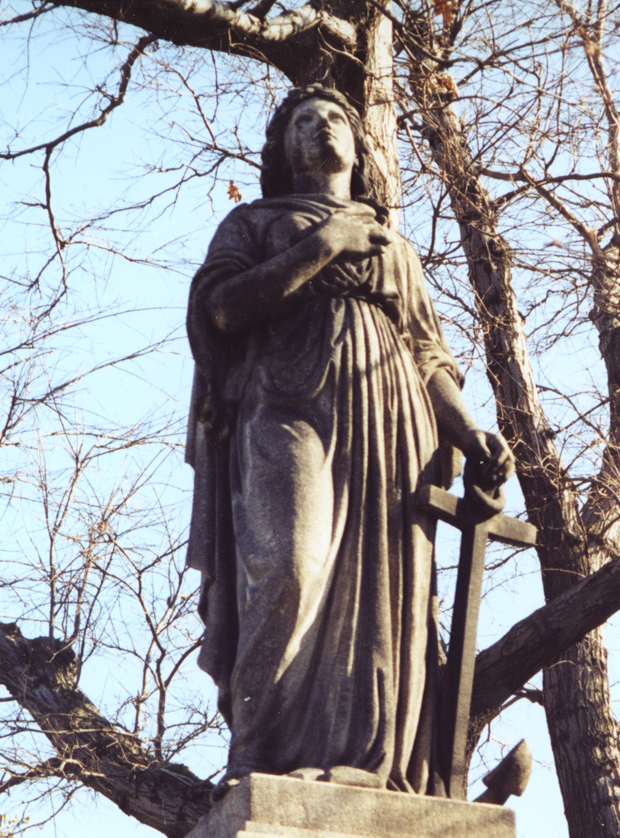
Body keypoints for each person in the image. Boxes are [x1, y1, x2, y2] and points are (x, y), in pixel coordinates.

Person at [185, 87, 514, 796]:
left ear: (360, 148)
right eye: (304, 121)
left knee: (385, 595)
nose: (322, 128)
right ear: (282, 150)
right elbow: (223, 306)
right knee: (289, 564)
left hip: (391, 422)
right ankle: (257, 757)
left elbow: (428, 353)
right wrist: (324, 243)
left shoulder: (395, 247)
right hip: (285, 403)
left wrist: (468, 428)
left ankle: (365, 760)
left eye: (336, 118)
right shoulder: (254, 223)